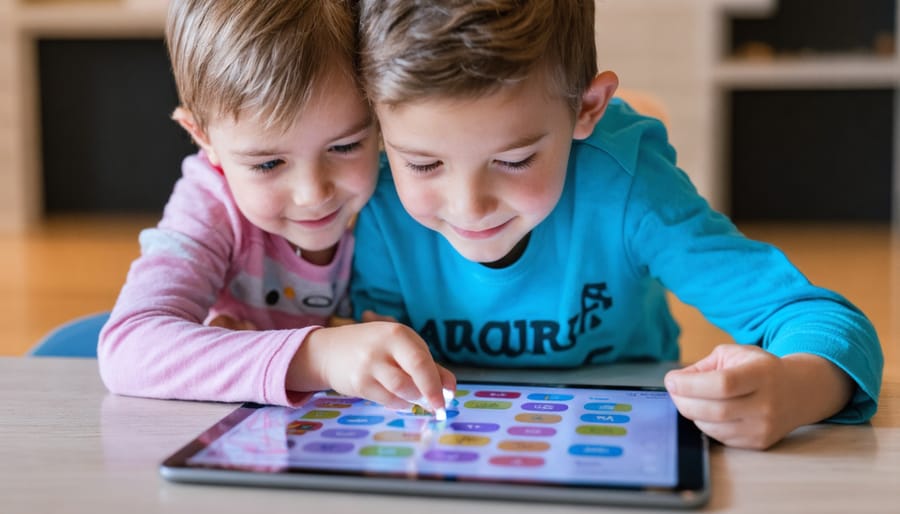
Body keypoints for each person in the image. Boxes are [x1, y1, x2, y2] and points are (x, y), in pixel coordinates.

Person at [350, 0, 883, 449]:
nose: (469, 207)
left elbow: (823, 320)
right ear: (374, 122)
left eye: (514, 160)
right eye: (422, 164)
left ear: (587, 108)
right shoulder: (367, 189)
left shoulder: (631, 188)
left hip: (620, 439)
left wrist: (797, 388)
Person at [98, 0, 453, 415]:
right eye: (268, 163)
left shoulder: (407, 184)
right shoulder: (210, 207)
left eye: (345, 146)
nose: (313, 193)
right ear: (202, 137)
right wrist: (317, 358)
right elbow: (129, 348)